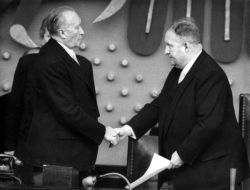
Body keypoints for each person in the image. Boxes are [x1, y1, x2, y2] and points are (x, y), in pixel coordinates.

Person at [115, 17, 250, 190]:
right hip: (191, 168)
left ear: (186, 47)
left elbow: (209, 124)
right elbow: (160, 105)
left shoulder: (211, 74)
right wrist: (127, 129)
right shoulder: (178, 70)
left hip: (213, 172)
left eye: (170, 45)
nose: (165, 51)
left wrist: (182, 154)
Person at [26, 6, 118, 186]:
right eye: (77, 27)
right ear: (62, 32)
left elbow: (86, 106)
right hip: (56, 156)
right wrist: (104, 131)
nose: (82, 32)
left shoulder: (74, 60)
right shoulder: (50, 60)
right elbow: (67, 110)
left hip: (71, 153)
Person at [3, 15, 50, 185]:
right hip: (25, 150)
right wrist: (9, 149)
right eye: (48, 37)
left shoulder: (74, 66)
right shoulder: (28, 63)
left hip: (54, 151)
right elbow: (14, 109)